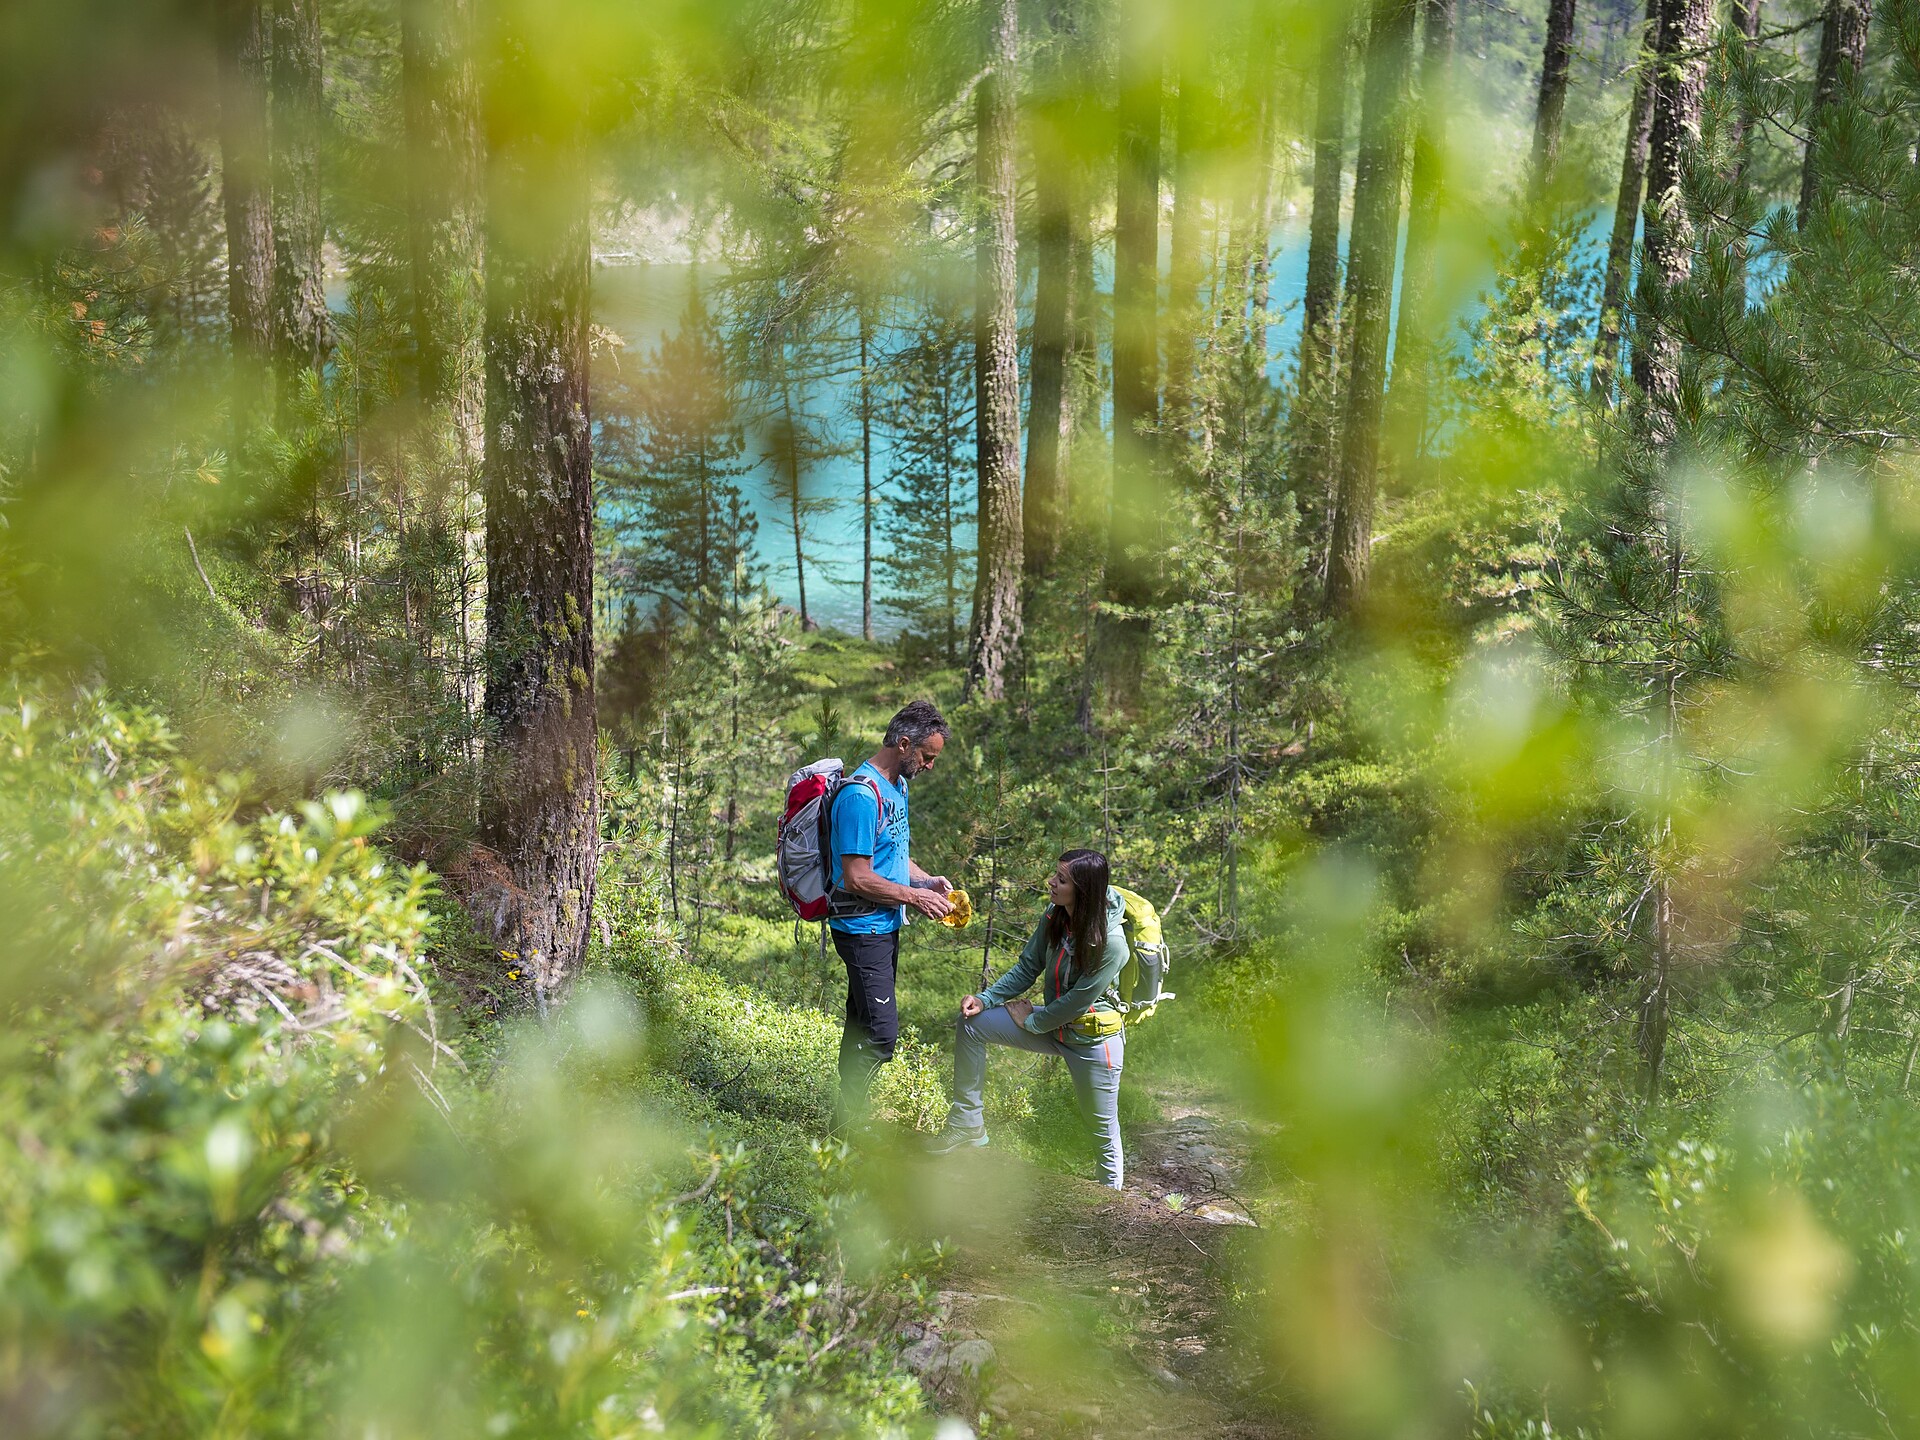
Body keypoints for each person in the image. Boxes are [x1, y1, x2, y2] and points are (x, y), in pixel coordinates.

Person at [928, 848, 1129, 1189]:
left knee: (1103, 1133)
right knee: (971, 1024)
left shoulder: (1112, 944)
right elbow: (1027, 967)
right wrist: (986, 998)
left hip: (1092, 1041)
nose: (1051, 882)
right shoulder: (1055, 916)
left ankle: (1112, 1208)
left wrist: (1031, 1022)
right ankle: (968, 1123)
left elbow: (1077, 1003)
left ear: (1083, 891)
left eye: (1061, 880)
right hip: (1053, 1026)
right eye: (1056, 874)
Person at [828, 699, 955, 1125]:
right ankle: (850, 1125)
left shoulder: (896, 787)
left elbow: (893, 854)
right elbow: (856, 877)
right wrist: (915, 899)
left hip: (883, 924)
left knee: (861, 1025)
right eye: (927, 756)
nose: (930, 766)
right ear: (904, 744)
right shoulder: (861, 797)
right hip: (861, 928)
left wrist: (925, 881)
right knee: (882, 1038)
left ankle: (841, 1128)